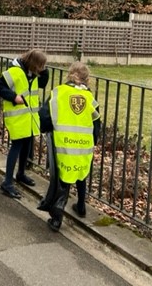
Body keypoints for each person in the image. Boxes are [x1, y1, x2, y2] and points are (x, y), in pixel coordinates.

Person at [38, 61, 101, 232]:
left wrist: (47, 129)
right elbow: (96, 123)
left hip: (63, 143)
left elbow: (44, 115)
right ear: (87, 79)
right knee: (80, 172)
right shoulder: (89, 98)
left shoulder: (58, 92)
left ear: (69, 75)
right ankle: (81, 206)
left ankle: (57, 218)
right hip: (84, 144)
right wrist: (93, 141)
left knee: (62, 178)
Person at [0, 49, 49, 199]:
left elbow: (43, 83)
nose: (41, 70)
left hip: (29, 117)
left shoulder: (33, 73)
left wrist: (45, 70)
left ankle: (21, 173)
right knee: (17, 147)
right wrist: (13, 97)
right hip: (17, 117)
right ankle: (7, 183)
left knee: (27, 145)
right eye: (40, 66)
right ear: (33, 63)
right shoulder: (15, 71)